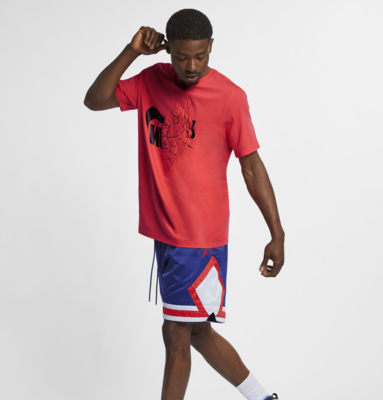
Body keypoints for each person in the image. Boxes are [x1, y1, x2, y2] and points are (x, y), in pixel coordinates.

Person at [84, 8, 285, 400]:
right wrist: (131, 51)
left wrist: (276, 233)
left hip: (199, 239)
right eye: (181, 56)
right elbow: (95, 100)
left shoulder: (229, 97)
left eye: (200, 56)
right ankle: (263, 397)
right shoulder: (151, 81)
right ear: (168, 50)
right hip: (166, 235)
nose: (191, 66)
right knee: (196, 331)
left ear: (211, 47)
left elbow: (251, 167)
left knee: (176, 333)